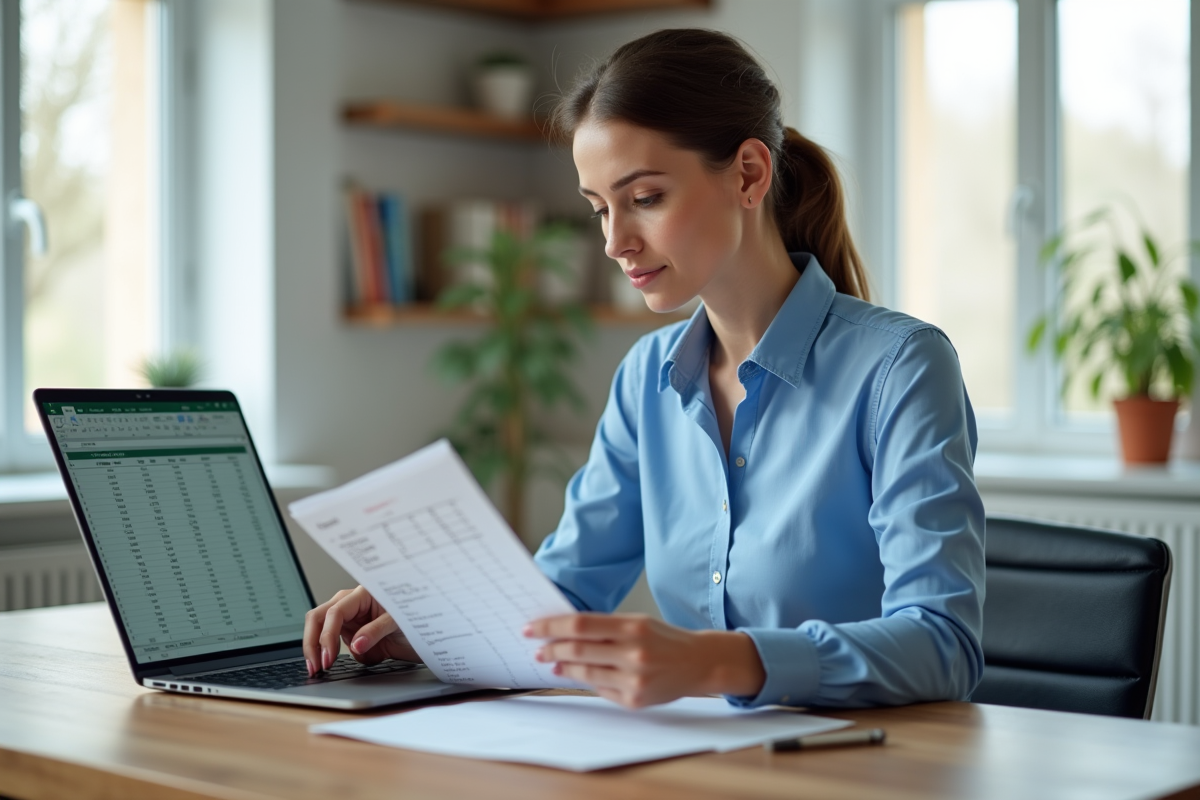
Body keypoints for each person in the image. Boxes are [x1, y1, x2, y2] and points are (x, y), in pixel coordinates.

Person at [303, 28, 985, 711]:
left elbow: (942, 644)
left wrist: (719, 661)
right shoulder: (646, 378)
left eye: (646, 198)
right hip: (696, 763)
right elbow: (564, 594)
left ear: (748, 174)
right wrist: (426, 616)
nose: (614, 241)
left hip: (864, 770)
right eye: (600, 208)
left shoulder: (900, 368)